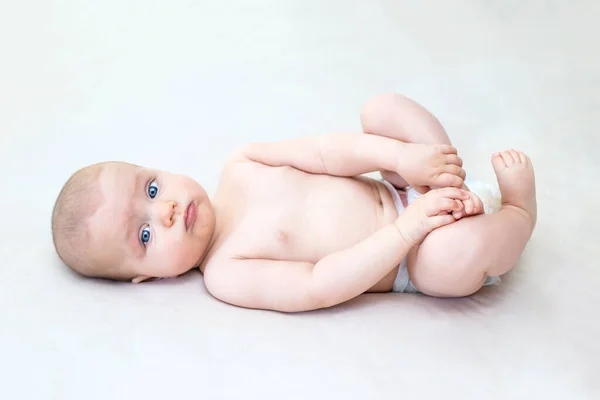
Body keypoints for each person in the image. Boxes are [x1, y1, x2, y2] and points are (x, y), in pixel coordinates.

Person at [51, 93, 536, 312]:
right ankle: (517, 210)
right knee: (450, 258)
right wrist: (407, 230)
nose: (166, 211)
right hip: (412, 256)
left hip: (406, 188)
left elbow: (326, 153)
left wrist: (403, 158)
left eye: (151, 189)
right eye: (145, 234)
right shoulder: (226, 272)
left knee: (382, 109)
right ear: (149, 278)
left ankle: (460, 187)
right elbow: (318, 285)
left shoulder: (240, 163)